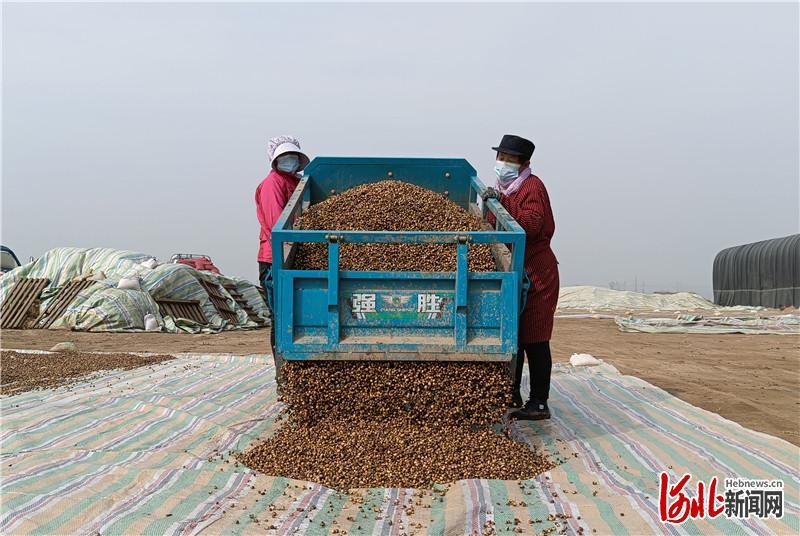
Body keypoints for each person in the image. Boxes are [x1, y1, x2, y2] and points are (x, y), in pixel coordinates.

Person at [482, 134, 559, 420]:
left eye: (509, 159)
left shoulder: (532, 187)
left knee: (535, 338)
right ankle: (510, 392)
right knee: (514, 335)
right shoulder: (507, 187)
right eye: (500, 157)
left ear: (525, 163)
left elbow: (530, 225)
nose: (502, 163)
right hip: (515, 270)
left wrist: (502, 203)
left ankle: (539, 402)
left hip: (537, 273)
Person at [256, 135, 310, 363]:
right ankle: (285, 371)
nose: (289, 160)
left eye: (293, 156)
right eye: (284, 157)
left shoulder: (299, 182)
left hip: (295, 255)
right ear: (275, 159)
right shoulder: (272, 184)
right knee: (281, 317)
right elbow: (276, 225)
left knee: (294, 316)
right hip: (276, 259)